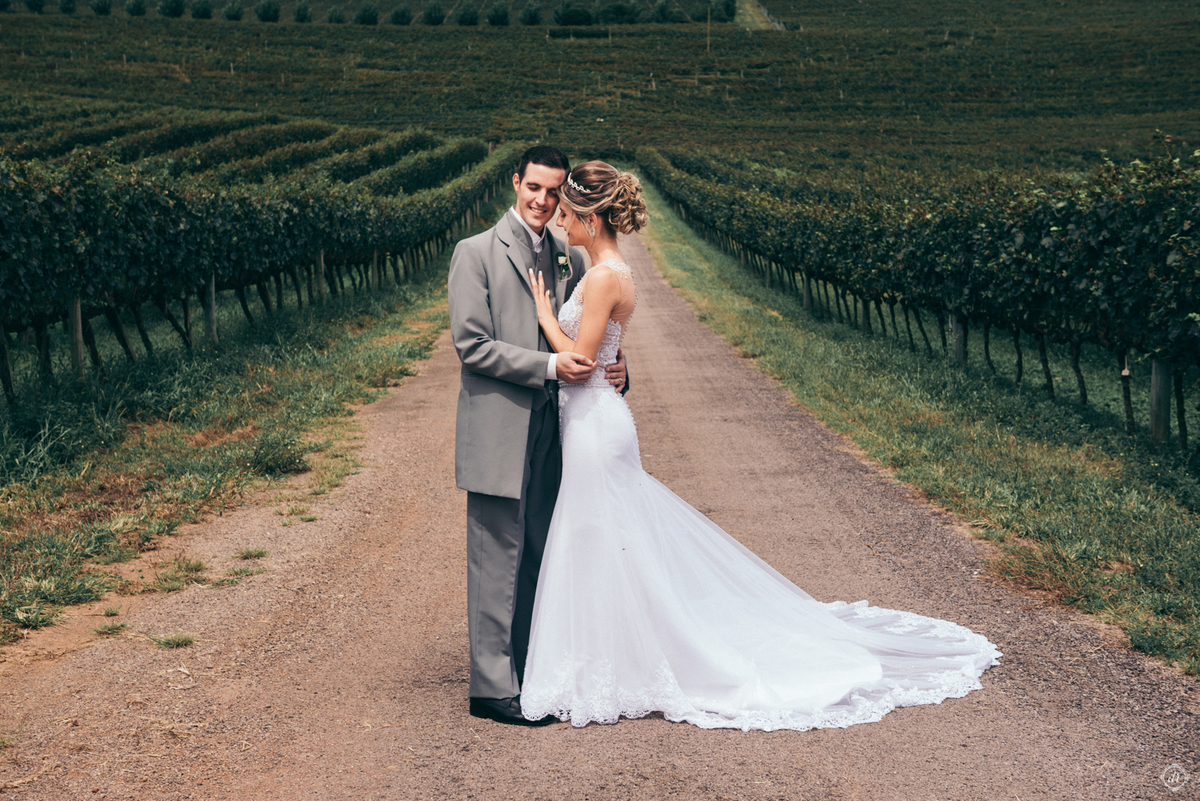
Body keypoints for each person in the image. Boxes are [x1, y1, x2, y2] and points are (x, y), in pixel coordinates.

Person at [519, 160, 1001, 731]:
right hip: (598, 417)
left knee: (597, 535)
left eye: (571, 216)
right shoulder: (605, 268)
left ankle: (622, 661)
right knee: (607, 538)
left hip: (595, 423)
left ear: (594, 220)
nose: (562, 224)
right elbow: (603, 357)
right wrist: (604, 360)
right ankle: (616, 658)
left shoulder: (601, 276)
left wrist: (546, 314)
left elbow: (577, 362)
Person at [447, 146, 627, 727]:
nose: (544, 202)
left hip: (556, 427)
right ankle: (491, 688)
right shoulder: (473, 253)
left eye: (554, 194)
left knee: (541, 553)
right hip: (501, 423)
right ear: (515, 183)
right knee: (496, 553)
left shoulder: (562, 250)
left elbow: (589, 335)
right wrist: (550, 368)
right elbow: (472, 346)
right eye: (535, 189)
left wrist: (617, 370)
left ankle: (530, 671)